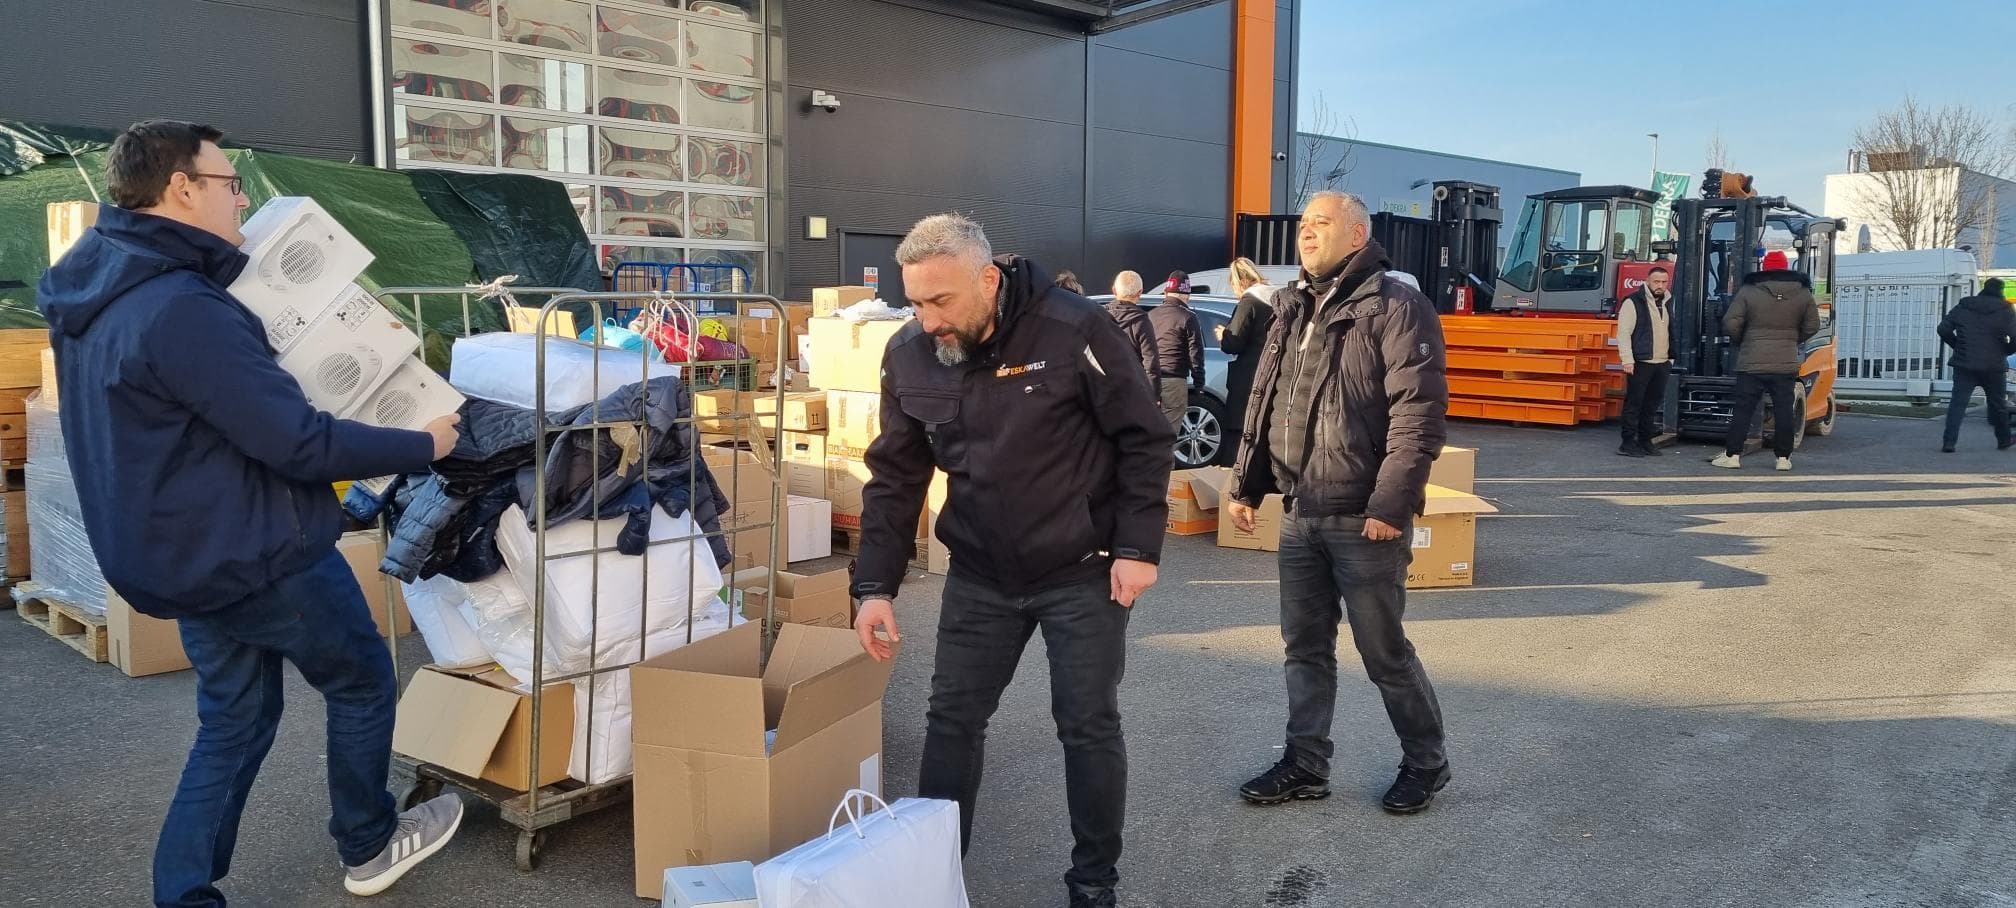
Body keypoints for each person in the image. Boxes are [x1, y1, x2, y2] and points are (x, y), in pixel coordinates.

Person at [36, 121, 466, 907]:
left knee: (235, 717)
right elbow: (298, 444)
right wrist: (422, 442)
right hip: (255, 552)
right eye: (230, 182)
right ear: (182, 188)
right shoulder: (181, 307)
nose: (242, 198)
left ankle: (184, 891)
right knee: (364, 679)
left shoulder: (99, 293)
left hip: (176, 554)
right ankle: (370, 844)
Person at [850, 213, 1174, 908]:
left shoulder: (1075, 331)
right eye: (915, 302)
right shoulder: (909, 354)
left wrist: (1138, 548)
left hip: (1081, 569)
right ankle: (933, 879)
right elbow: (895, 477)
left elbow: (1144, 438)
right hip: (980, 573)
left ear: (988, 279)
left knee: (1086, 724)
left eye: (942, 301)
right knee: (952, 721)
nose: (928, 319)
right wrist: (873, 586)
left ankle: (1093, 881)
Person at [1224, 191, 1453, 816]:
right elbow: (1266, 397)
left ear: (1357, 235)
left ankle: (1427, 763)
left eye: (1320, 224)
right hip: (1301, 511)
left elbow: (1419, 416)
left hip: (1363, 516)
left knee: (1382, 652)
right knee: (1304, 646)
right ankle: (1305, 765)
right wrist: (1246, 484)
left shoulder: (1396, 306)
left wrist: (1390, 505)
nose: (1305, 234)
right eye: (1302, 225)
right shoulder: (1293, 307)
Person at [1712, 250, 1819, 472]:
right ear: (1785, 267)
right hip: (1785, 362)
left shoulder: (1749, 291)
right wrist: (1792, 339)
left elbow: (1731, 322)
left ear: (1764, 267)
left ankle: (1732, 455)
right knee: (1784, 410)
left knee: (1743, 409)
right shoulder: (1803, 293)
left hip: (1752, 361)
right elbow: (1812, 325)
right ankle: (1783, 458)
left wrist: (1744, 340)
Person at [1937, 277, 2016, 452]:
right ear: (2000, 290)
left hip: (1964, 364)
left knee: (1958, 404)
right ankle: (2003, 439)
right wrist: (2006, 350)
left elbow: (1943, 328)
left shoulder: (1964, 306)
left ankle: (1949, 442)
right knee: (1998, 404)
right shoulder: (2005, 309)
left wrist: (1958, 345)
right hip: (1994, 366)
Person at [1615, 267, 1679, 457]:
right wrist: (1627, 359)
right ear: (1648, 281)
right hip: (1641, 361)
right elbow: (1624, 333)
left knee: (1652, 405)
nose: (1660, 286)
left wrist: (1671, 358)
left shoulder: (1668, 301)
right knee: (1634, 404)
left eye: (1663, 282)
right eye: (1656, 282)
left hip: (1662, 361)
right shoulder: (1633, 302)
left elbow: (1670, 330)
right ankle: (1627, 443)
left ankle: (1645, 441)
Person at [1219, 257, 1277, 434]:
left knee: (1241, 431)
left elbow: (1233, 343)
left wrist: (1224, 335)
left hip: (1248, 378)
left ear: (1241, 281)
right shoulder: (1276, 299)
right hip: (1273, 371)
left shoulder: (1248, 303)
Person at [1147, 270, 1207, 431]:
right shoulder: (1188, 317)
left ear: (1166, 293)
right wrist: (1199, 382)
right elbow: (1195, 353)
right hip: (1175, 380)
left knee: (1151, 431)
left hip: (1150, 379)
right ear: (1186, 294)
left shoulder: (1151, 315)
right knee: (1169, 433)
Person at [1104, 270, 1160, 383]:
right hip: (1133, 389)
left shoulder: (1100, 316)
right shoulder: (1142, 322)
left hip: (1104, 389)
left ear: (1114, 290)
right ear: (1140, 292)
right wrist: (1154, 395)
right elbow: (1151, 363)